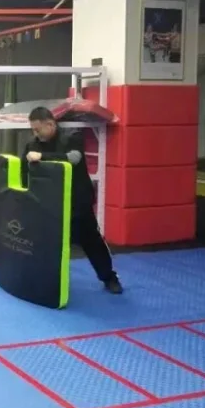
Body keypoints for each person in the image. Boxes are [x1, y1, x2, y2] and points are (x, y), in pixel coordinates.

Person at [24, 107, 123, 294]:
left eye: (38, 129)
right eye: (33, 130)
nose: (35, 134)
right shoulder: (32, 145)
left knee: (91, 241)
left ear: (50, 124)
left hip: (78, 201)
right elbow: (24, 171)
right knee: (48, 243)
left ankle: (109, 277)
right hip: (50, 203)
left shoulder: (72, 137)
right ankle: (47, 281)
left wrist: (43, 157)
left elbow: (74, 158)